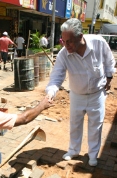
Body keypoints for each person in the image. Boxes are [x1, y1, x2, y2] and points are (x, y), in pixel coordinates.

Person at [45, 18, 115, 167]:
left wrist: (109, 77)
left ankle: (92, 155)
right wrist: (51, 92)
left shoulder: (98, 43)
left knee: (96, 126)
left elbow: (109, 60)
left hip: (97, 94)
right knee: (75, 124)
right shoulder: (64, 54)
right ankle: (73, 150)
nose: (66, 45)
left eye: (69, 41)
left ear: (80, 36)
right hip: (77, 95)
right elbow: (57, 76)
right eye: (63, 41)